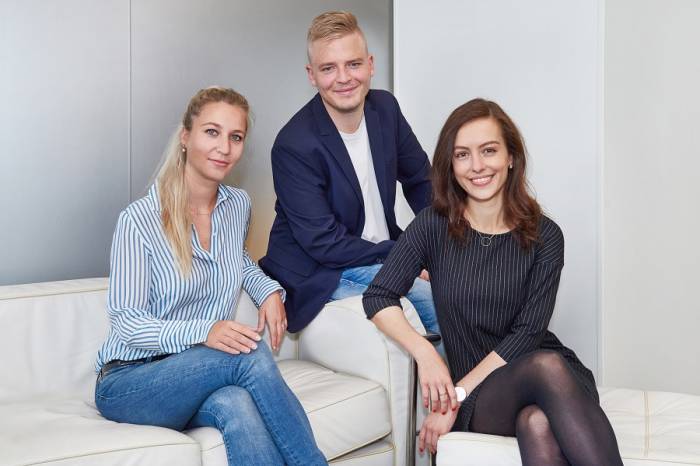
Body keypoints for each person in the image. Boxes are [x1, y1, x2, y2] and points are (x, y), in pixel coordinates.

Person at [363, 99, 623, 465]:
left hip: (549, 376)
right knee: (544, 367)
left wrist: (455, 392)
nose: (478, 166)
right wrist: (426, 355)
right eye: (463, 155)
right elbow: (378, 296)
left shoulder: (546, 236)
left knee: (536, 421)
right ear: (451, 166)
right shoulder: (431, 226)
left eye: (489, 151)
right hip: (484, 396)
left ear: (511, 157)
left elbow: (528, 334)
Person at [94, 87, 327, 466]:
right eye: (212, 132)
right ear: (186, 137)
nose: (224, 147)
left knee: (237, 404)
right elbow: (127, 324)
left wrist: (267, 290)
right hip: (129, 383)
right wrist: (205, 331)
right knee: (248, 353)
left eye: (236, 137)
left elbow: (238, 259)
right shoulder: (139, 220)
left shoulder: (238, 206)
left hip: (194, 377)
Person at [259, 11, 438, 339]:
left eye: (353, 64)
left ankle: (486, 384)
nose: (343, 78)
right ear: (311, 75)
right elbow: (324, 243)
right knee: (432, 301)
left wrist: (443, 245)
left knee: (463, 288)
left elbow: (421, 182)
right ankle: (460, 392)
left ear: (370, 65)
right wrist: (406, 257)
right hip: (320, 271)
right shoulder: (294, 144)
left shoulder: (385, 109)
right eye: (328, 68)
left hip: (375, 255)